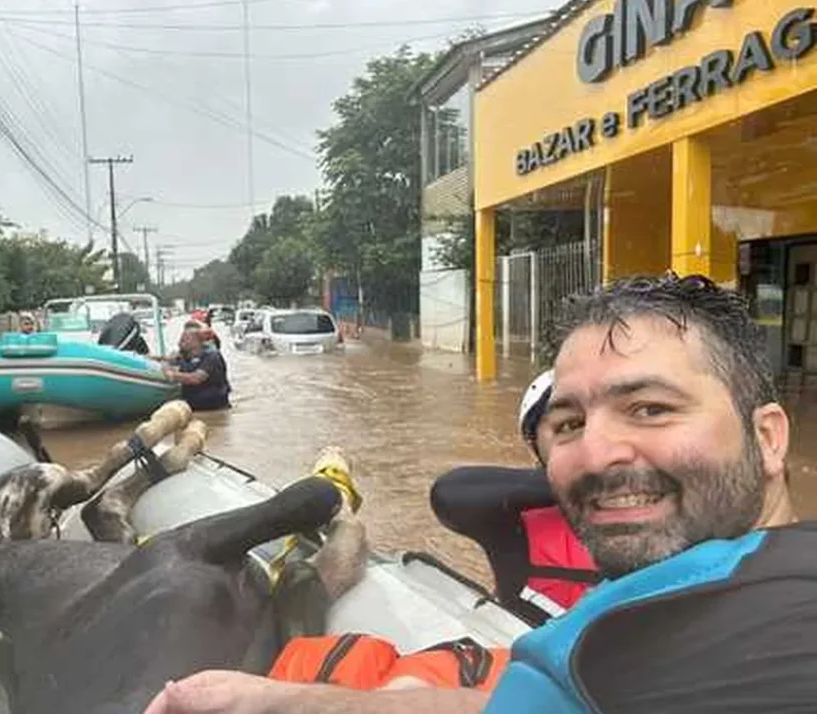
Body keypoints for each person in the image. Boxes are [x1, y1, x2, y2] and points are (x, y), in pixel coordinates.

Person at [144, 273, 817, 713]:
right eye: (570, 424)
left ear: (770, 438)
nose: (596, 454)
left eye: (650, 409)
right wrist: (270, 701)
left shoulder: (649, 649)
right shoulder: (617, 644)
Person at [430, 370, 597, 625]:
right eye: (571, 425)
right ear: (535, 444)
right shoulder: (513, 520)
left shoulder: (670, 509)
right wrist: (585, 481)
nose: (596, 440)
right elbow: (448, 494)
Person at [162, 326, 230, 411]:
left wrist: (173, 375)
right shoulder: (183, 355)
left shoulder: (211, 356)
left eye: (183, 340)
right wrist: (165, 363)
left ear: (195, 342)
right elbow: (165, 360)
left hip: (215, 408)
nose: (179, 343)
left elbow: (196, 378)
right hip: (193, 406)